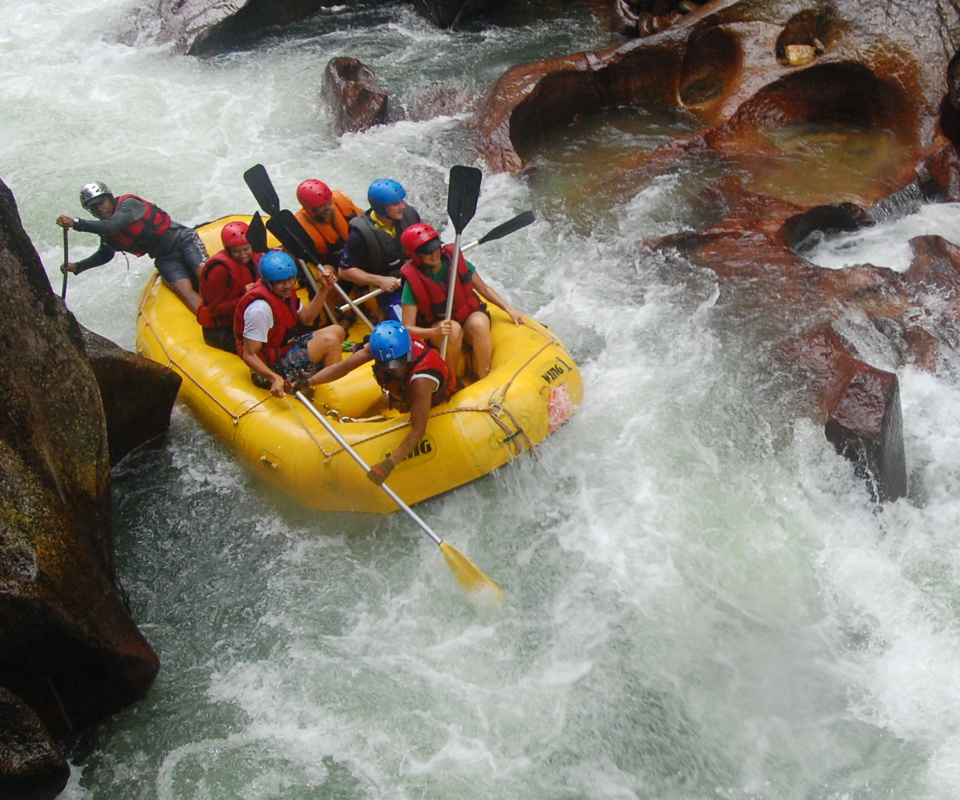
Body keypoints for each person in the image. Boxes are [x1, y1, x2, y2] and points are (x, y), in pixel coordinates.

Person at [299, 320, 454, 485]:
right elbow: (343, 368)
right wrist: (308, 382)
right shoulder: (380, 351)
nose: (393, 370)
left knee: (397, 402)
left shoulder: (421, 381)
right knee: (383, 402)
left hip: (432, 400)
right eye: (387, 366)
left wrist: (388, 465)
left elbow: (418, 430)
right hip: (401, 397)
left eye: (397, 365)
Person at [56, 181, 207, 314]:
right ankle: (210, 320)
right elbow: (105, 254)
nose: (99, 209)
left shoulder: (129, 205)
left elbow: (111, 225)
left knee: (204, 274)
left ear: (110, 199)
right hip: (164, 257)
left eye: (101, 203)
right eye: (93, 208)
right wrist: (78, 266)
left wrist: (76, 223)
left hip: (183, 240)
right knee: (183, 289)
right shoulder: (108, 233)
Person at [398, 223, 523, 379]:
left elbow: (483, 288)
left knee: (479, 323)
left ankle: (484, 376)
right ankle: (451, 379)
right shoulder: (413, 282)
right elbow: (407, 328)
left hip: (468, 315)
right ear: (416, 256)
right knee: (453, 330)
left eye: (435, 247)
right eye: (427, 252)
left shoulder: (455, 261)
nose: (434, 254)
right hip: (440, 326)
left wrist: (508, 308)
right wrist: (433, 332)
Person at [234, 249, 345, 398]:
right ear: (268, 282)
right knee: (330, 342)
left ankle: (319, 377)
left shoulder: (284, 294)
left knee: (338, 331)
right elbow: (249, 355)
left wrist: (324, 289)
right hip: (269, 368)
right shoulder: (260, 309)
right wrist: (273, 377)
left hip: (284, 351)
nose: (287, 285)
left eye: (290, 279)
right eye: (280, 282)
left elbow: (306, 318)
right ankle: (329, 397)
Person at [338, 178, 421, 322]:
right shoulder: (360, 234)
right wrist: (380, 280)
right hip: (386, 290)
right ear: (381, 207)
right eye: (396, 204)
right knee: (405, 323)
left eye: (402, 201)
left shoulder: (410, 214)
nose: (402, 206)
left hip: (415, 278)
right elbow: (344, 271)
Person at [196, 220, 261, 352]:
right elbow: (215, 309)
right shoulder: (219, 270)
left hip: (245, 320)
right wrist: (246, 296)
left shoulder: (255, 257)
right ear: (228, 250)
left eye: (246, 249)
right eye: (237, 251)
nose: (243, 255)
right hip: (221, 330)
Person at [293, 179, 362, 267]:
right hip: (336, 265)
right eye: (321, 206)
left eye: (329, 202)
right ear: (310, 210)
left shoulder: (342, 201)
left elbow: (365, 223)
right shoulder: (300, 227)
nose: (327, 207)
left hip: (360, 251)